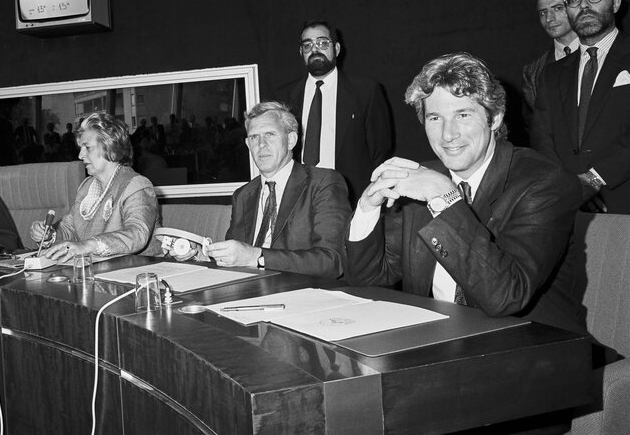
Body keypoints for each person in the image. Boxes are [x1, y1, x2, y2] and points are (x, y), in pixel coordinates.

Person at [345, 52, 584, 336]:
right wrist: (367, 208)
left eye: (463, 114)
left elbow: (506, 295)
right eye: (435, 118)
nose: (448, 134)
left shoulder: (544, 183)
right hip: (436, 343)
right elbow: (368, 279)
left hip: (528, 348)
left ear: (494, 118)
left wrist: (444, 198)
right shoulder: (425, 179)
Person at [207, 101, 350, 278]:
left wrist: (258, 257)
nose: (261, 144)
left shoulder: (323, 183)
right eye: (254, 137)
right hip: (250, 292)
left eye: (270, 134)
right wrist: (204, 255)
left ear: (291, 140)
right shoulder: (243, 195)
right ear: (247, 144)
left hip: (304, 293)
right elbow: (236, 257)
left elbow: (331, 261)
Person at [532, 0, 630, 214]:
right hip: (569, 206)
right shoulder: (551, 74)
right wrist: (568, 186)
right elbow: (542, 138)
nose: (584, 5)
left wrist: (594, 179)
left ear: (616, 3)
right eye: (574, 0)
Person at [275, 20, 393, 206]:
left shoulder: (366, 91)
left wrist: (371, 195)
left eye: (322, 43)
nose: (315, 50)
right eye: (307, 45)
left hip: (351, 198)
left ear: (336, 48)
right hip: (298, 200)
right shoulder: (284, 98)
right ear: (301, 52)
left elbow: (380, 149)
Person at [29, 112, 159, 262]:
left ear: (111, 148)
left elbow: (137, 234)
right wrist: (49, 235)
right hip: (99, 273)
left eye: (87, 148)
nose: (80, 155)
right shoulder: (86, 187)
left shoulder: (136, 184)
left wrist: (89, 245)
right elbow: (69, 230)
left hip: (139, 273)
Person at [521, 0, 579, 135]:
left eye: (558, 8)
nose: (549, 19)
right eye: (543, 12)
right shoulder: (533, 72)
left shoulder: (602, 51)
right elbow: (536, 131)